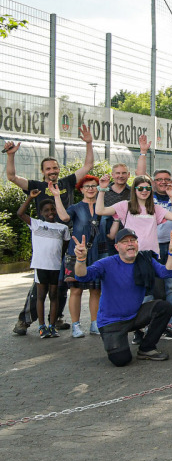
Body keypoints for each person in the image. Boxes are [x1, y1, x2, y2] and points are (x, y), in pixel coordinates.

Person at [5, 126, 95, 334]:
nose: (52, 171)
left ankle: (57, 318)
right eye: (48, 169)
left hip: (66, 239)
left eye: (55, 168)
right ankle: (25, 320)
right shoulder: (35, 185)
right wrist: (11, 156)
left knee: (63, 279)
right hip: (45, 240)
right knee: (40, 285)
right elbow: (12, 177)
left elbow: (88, 165)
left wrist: (89, 143)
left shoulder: (68, 182)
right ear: (43, 171)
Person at [73, 229, 172, 365]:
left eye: (133, 241)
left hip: (134, 315)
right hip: (111, 322)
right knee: (121, 360)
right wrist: (81, 259)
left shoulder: (145, 260)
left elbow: (167, 272)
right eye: (125, 242)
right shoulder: (106, 263)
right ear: (117, 247)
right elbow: (82, 276)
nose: (130, 244)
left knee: (164, 307)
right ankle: (119, 341)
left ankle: (146, 348)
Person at [52, 177, 104, 335]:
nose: (90, 189)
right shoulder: (75, 207)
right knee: (75, 290)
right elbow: (64, 217)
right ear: (81, 189)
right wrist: (56, 196)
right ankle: (75, 325)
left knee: (96, 290)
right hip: (77, 252)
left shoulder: (102, 206)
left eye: (94, 186)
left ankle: (95, 323)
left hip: (97, 253)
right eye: (86, 186)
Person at [17, 190, 69, 338]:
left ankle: (52, 326)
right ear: (41, 213)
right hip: (41, 266)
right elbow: (20, 214)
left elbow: (64, 246)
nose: (50, 212)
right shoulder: (36, 224)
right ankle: (42, 327)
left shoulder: (62, 228)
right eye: (46, 210)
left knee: (54, 295)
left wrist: (58, 259)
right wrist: (30, 197)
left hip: (55, 267)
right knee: (40, 296)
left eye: (52, 209)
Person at [151, 168, 172, 327]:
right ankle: (154, 320)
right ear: (153, 182)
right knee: (154, 287)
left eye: (166, 179)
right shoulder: (148, 196)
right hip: (153, 247)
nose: (163, 182)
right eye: (159, 179)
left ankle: (170, 320)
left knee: (170, 286)